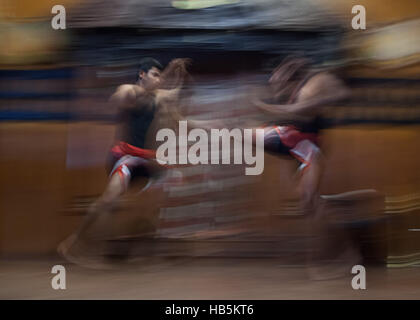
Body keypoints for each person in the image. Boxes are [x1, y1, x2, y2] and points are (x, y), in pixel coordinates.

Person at [58, 57, 191, 267]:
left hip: (147, 160)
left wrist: (179, 73)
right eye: (154, 75)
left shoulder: (159, 97)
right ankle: (73, 242)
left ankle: (147, 238)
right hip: (125, 157)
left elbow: (174, 94)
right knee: (108, 200)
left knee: (173, 181)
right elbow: (122, 96)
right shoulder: (129, 90)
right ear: (141, 75)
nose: (158, 80)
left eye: (159, 75)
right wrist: (169, 71)